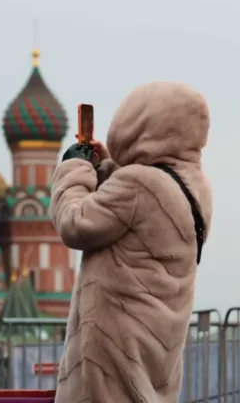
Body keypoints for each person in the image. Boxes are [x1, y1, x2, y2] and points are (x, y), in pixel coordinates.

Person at [49, 81, 213, 403]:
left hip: (115, 344)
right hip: (155, 338)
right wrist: (107, 165)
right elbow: (135, 213)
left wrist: (74, 169)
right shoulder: (195, 185)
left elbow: (75, 223)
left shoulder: (138, 185)